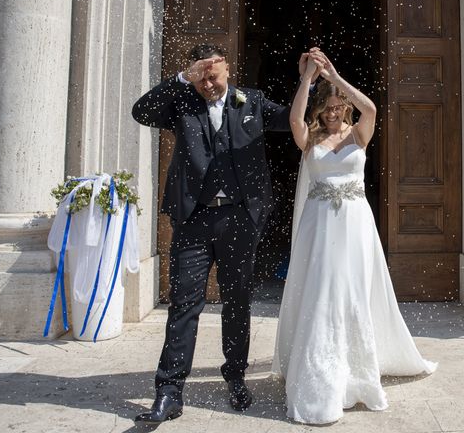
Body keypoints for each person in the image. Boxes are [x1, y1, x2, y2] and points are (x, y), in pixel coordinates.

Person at [131, 44, 317, 424]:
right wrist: (183, 78)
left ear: (228, 69)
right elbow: (142, 112)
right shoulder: (182, 101)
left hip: (240, 220)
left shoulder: (252, 102)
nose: (209, 84)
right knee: (184, 304)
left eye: (214, 75)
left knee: (237, 302)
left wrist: (308, 82)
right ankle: (169, 391)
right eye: (202, 77)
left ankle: (235, 377)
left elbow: (292, 119)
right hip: (193, 219)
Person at [272, 50, 437, 424]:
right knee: (323, 291)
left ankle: (357, 374)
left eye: (337, 106)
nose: (332, 113)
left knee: (353, 291)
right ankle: (319, 378)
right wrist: (307, 81)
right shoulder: (309, 137)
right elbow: (295, 117)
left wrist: (335, 76)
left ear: (345, 106)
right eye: (326, 107)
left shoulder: (360, 133)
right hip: (319, 226)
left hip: (355, 226)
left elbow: (372, 108)